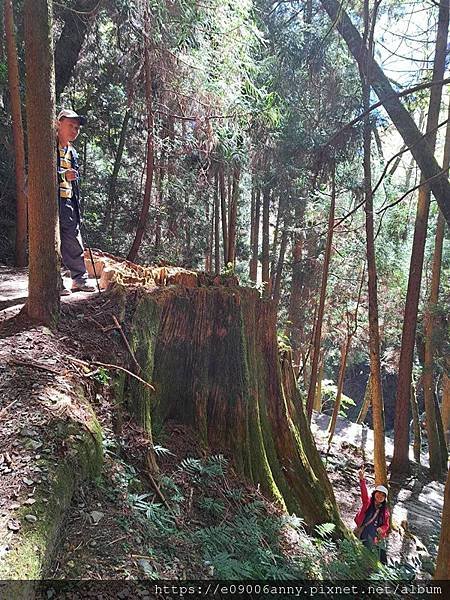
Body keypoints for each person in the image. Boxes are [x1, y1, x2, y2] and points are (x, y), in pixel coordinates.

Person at [56, 108, 96, 294]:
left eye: (77, 128)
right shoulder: (47, 147)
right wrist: (62, 175)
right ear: (58, 123)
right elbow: (35, 174)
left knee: (73, 238)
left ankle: (79, 279)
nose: (74, 131)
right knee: (52, 242)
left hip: (69, 202)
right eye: (70, 126)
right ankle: (55, 282)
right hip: (52, 203)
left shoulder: (72, 152)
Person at [354, 466, 390, 565]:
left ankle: (385, 571)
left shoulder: (385, 511)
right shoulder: (368, 503)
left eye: (383, 495)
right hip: (364, 531)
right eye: (379, 493)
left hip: (375, 535)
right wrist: (362, 480)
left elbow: (386, 525)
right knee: (367, 550)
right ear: (374, 493)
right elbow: (364, 494)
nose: (380, 496)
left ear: (385, 498)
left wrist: (381, 529)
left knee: (382, 554)